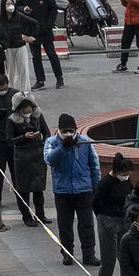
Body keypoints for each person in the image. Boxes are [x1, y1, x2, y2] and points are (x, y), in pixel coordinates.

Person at [44, 114, 100, 267]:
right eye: (65, 131)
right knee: (65, 225)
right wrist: (63, 147)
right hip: (63, 192)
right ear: (59, 130)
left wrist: (96, 186)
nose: (68, 134)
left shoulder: (84, 142)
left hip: (83, 190)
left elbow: (94, 165)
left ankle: (89, 254)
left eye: (71, 131)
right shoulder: (51, 142)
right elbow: (49, 159)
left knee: (87, 224)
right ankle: (67, 254)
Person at [91, 156, 134, 276]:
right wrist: (103, 217)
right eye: (124, 174)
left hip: (123, 220)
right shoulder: (105, 183)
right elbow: (95, 203)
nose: (126, 176)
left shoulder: (126, 180)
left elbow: (130, 193)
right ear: (116, 172)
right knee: (109, 257)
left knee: (126, 254)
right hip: (107, 220)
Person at [14, 0, 64, 88]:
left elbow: (53, 9)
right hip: (31, 29)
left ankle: (59, 78)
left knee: (51, 53)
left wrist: (48, 25)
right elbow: (17, 7)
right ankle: (40, 80)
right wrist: (23, 9)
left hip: (44, 28)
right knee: (36, 56)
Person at [7, 96, 51, 227]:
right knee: (23, 189)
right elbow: (9, 140)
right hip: (22, 158)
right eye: (25, 109)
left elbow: (47, 132)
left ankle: (40, 215)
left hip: (38, 155)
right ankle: (26, 217)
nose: (27, 110)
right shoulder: (12, 121)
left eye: (29, 107)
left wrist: (44, 143)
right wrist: (23, 137)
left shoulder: (37, 116)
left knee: (39, 188)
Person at [116, 0, 139, 73]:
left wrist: (131, 0)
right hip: (129, 20)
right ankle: (123, 63)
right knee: (125, 42)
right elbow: (126, 5)